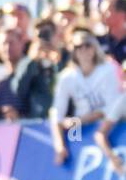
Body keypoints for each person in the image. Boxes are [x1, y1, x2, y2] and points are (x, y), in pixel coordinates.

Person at [50, 28, 122, 166]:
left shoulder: (108, 69)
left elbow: (113, 107)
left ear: (95, 48)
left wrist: (82, 119)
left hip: (107, 125)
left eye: (87, 45)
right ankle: (72, 164)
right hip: (80, 127)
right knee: (73, 137)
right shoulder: (67, 77)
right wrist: (59, 145)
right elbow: (56, 113)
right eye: (78, 47)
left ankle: (115, 164)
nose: (83, 50)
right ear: (73, 51)